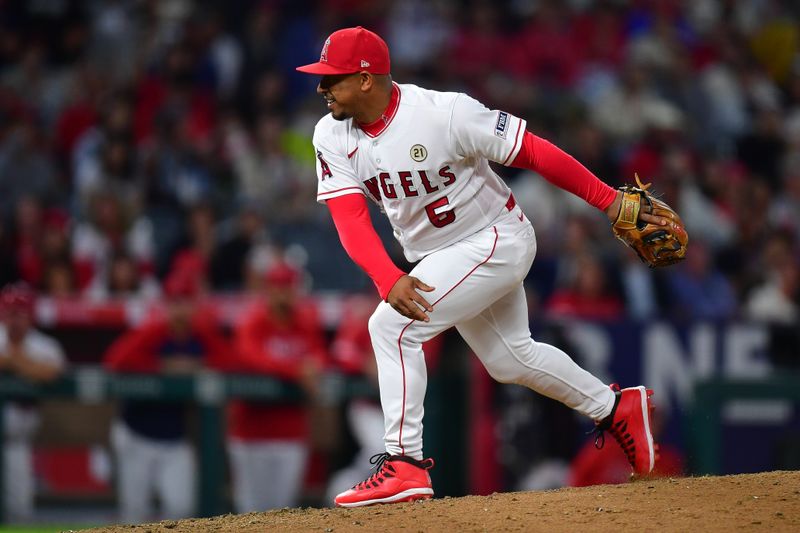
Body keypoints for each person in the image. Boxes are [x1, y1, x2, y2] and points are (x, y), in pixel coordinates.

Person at [296, 26, 666, 507]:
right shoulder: (330, 134)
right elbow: (349, 219)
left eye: (333, 78)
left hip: (497, 238)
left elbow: (532, 150)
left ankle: (404, 465)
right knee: (511, 359)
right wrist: (387, 277)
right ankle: (616, 408)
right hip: (444, 256)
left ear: (367, 79)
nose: (322, 88)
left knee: (391, 329)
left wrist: (609, 200)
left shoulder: (443, 113)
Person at [103, 277, 231, 524]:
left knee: (181, 509)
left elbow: (234, 362)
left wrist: (198, 365)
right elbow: (115, 360)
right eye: (175, 302)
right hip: (136, 434)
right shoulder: (155, 330)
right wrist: (162, 366)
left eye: (185, 302)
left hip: (174, 439)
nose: (180, 309)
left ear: (194, 306)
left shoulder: (200, 335)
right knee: (134, 515)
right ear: (166, 305)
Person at [227, 261, 327, 512]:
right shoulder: (253, 321)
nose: (283, 293)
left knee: (283, 513)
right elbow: (250, 357)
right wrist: (296, 371)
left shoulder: (304, 323)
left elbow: (320, 356)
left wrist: (314, 367)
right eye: (278, 287)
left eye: (288, 287)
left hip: (291, 433)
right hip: (251, 433)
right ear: (268, 290)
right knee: (249, 512)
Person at [0, 283, 66, 521]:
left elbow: (51, 372)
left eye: (20, 314)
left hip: (18, 439)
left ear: (31, 316)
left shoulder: (45, 345)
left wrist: (13, 360)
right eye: (9, 313)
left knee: (20, 511)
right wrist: (25, 366)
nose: (14, 320)